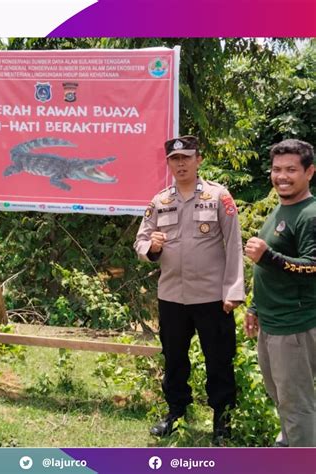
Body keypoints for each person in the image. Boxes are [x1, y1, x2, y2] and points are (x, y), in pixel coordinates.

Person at [134, 135, 245, 445]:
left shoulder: (218, 196)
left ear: (198, 160)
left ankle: (222, 422)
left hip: (212, 298)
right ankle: (175, 413)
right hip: (172, 296)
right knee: (174, 360)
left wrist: (233, 290)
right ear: (168, 163)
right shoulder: (160, 201)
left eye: (187, 157)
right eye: (174, 159)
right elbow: (140, 240)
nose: (180, 164)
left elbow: (234, 244)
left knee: (218, 360)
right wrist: (151, 248)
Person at [244, 139, 315, 447]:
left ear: (310, 172)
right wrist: (255, 308)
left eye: (291, 170)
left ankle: (302, 457)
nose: (282, 176)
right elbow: (267, 272)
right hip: (271, 322)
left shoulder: (309, 215)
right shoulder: (281, 209)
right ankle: (289, 442)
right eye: (276, 169)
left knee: (296, 403)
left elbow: (313, 266)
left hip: (294, 325)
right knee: (280, 395)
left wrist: (269, 257)